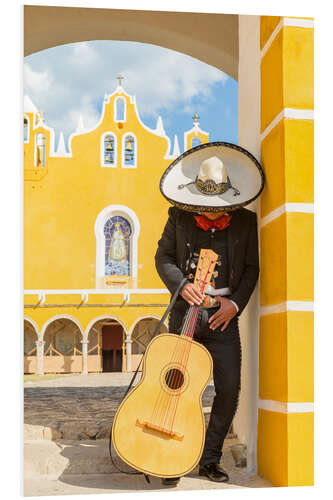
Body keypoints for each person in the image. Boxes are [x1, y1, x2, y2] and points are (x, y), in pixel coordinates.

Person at [155, 146, 264, 486]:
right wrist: (182, 285)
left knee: (229, 387)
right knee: (175, 386)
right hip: (185, 313)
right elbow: (163, 258)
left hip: (223, 318)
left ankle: (209, 459)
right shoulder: (178, 217)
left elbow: (250, 269)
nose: (213, 214)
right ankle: (167, 458)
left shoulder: (247, 221)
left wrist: (234, 305)